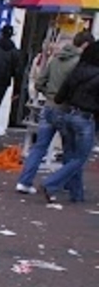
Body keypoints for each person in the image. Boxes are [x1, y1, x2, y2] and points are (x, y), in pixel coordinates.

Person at [16, 30, 94, 195]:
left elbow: (39, 82)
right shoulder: (78, 63)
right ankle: (67, 186)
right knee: (71, 150)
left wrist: (48, 93)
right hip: (66, 109)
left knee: (39, 147)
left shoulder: (55, 59)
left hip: (48, 107)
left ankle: (24, 181)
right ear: (86, 45)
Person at [41, 41, 99, 204]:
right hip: (86, 118)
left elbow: (60, 96)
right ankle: (51, 183)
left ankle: (77, 194)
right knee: (80, 158)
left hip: (67, 114)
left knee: (72, 156)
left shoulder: (77, 70)